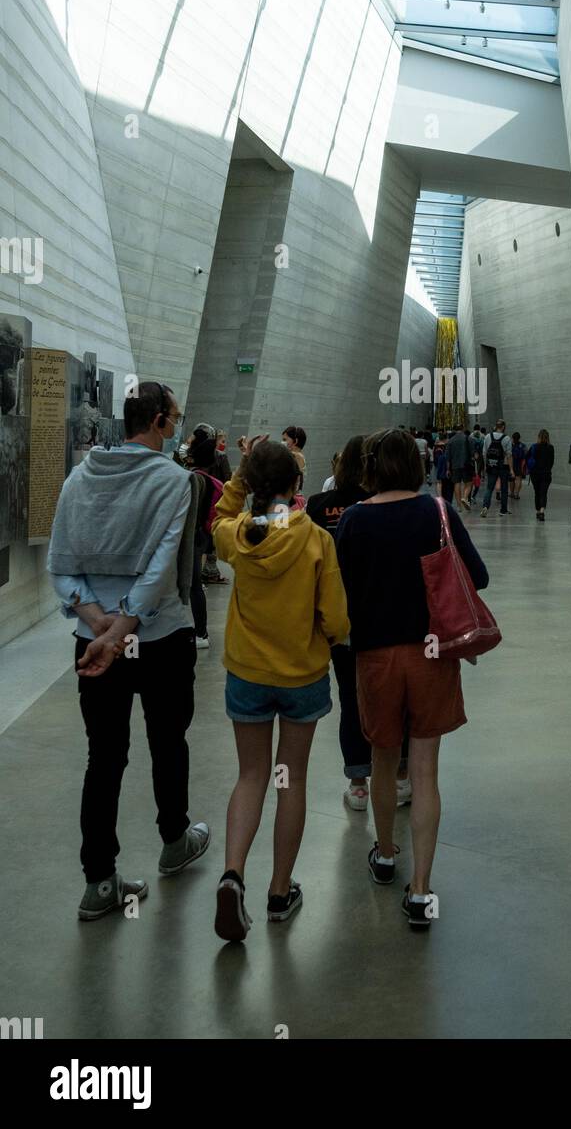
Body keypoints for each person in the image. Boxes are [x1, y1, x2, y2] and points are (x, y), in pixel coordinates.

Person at [48, 381, 210, 921]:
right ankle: (174, 840)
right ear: (161, 421)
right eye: (176, 417)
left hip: (94, 644)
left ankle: (99, 882)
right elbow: (163, 567)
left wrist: (98, 626)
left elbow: (62, 563)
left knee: (104, 757)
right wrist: (120, 631)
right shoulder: (174, 481)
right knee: (168, 741)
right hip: (160, 638)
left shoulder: (80, 476)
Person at [335, 429, 489, 930]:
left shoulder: (355, 520)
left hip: (375, 657)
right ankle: (421, 890)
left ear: (371, 467)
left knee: (383, 762)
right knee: (424, 771)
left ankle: (383, 853)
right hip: (431, 653)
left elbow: (340, 591)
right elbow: (478, 576)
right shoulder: (436, 511)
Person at [211, 437, 350, 942]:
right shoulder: (315, 539)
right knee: (289, 780)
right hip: (301, 678)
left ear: (252, 485)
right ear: (296, 485)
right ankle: (278, 890)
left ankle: (232, 875)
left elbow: (217, 520)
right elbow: (335, 618)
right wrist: (329, 637)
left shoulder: (238, 534)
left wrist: (238, 480)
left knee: (250, 776)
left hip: (247, 674)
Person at [307, 436, 411, 813]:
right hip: (385, 620)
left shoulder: (318, 506)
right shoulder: (380, 507)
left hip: (341, 623)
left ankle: (358, 783)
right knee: (397, 698)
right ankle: (400, 775)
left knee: (352, 699)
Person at [185, 427, 225, 647]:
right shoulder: (210, 480)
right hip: (203, 535)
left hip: (191, 536)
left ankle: (201, 634)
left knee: (192, 585)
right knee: (195, 585)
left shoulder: (194, 480)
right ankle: (201, 633)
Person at [480, 420, 512, 518]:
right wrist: (511, 469)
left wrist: (485, 465)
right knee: (504, 489)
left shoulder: (488, 436)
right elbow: (509, 455)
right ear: (503, 427)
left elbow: (484, 453)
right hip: (503, 466)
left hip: (491, 465)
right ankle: (503, 510)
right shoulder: (506, 438)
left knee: (489, 488)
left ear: (495, 426)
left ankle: (485, 506)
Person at [528, 429, 555, 521]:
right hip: (546, 474)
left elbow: (527, 457)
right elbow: (552, 462)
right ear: (548, 437)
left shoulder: (534, 447)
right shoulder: (551, 447)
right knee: (543, 493)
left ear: (538, 437)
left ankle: (538, 511)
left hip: (535, 474)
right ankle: (542, 511)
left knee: (537, 492)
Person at [447, 426, 473, 511]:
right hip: (466, 464)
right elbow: (473, 453)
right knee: (468, 483)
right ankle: (465, 497)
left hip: (455, 465)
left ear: (455, 430)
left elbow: (448, 457)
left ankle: (459, 506)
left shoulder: (451, 440)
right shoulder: (468, 438)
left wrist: (448, 469)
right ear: (463, 429)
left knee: (457, 483)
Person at [281, 426, 307, 490]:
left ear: (295, 441)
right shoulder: (298, 456)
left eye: (285, 440)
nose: (282, 442)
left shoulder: (297, 456)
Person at [510, 432, 527, 501]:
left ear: (512, 438)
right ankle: (516, 494)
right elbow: (526, 455)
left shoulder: (510, 445)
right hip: (520, 464)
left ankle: (512, 493)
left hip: (512, 464)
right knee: (519, 479)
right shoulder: (523, 446)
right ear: (519, 438)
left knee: (511, 479)